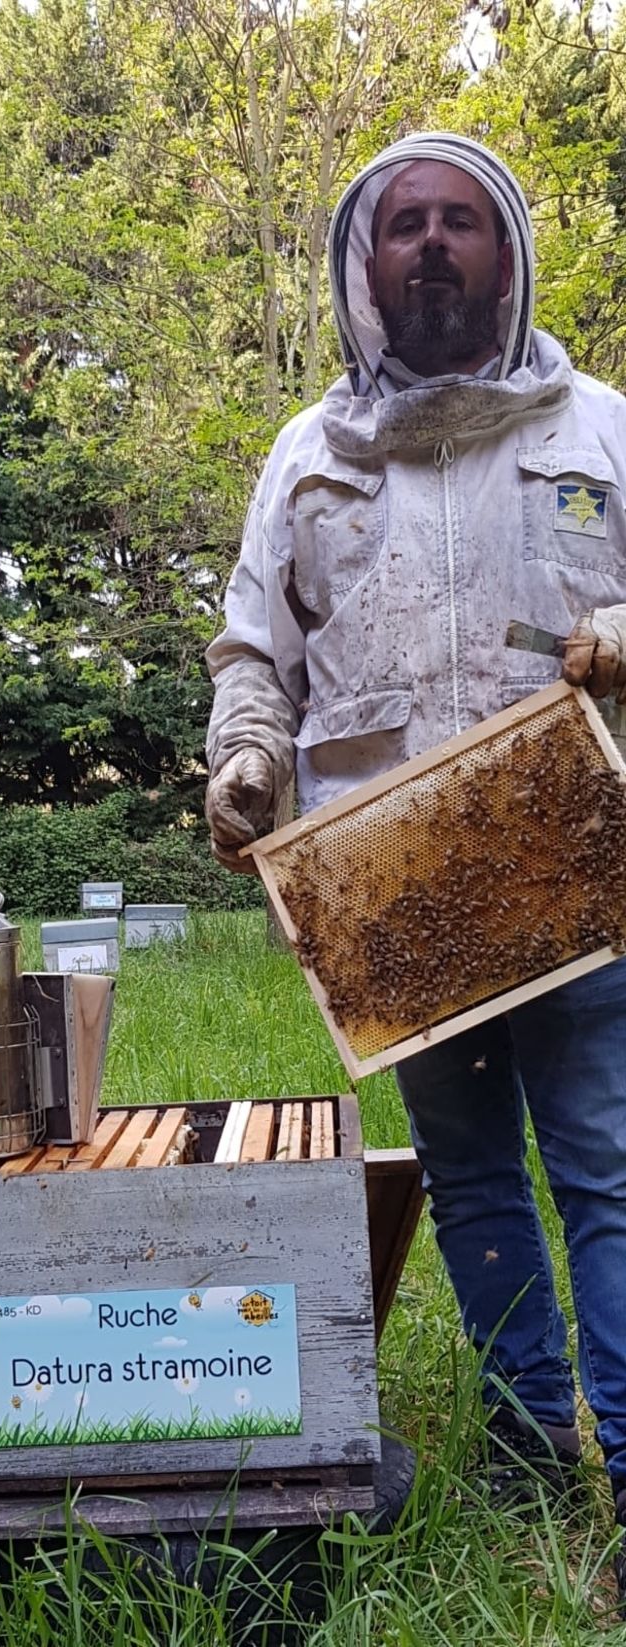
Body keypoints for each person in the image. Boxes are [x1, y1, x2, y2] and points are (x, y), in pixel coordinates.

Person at [203, 131, 626, 1591]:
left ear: (506, 259)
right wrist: (246, 762)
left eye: (462, 223)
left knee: (609, 1174)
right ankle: (522, 1446)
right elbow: (260, 648)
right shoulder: (309, 457)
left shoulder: (603, 430)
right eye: (406, 227)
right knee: (477, 1180)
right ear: (367, 269)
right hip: (395, 889)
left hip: (576, 871)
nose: (433, 246)